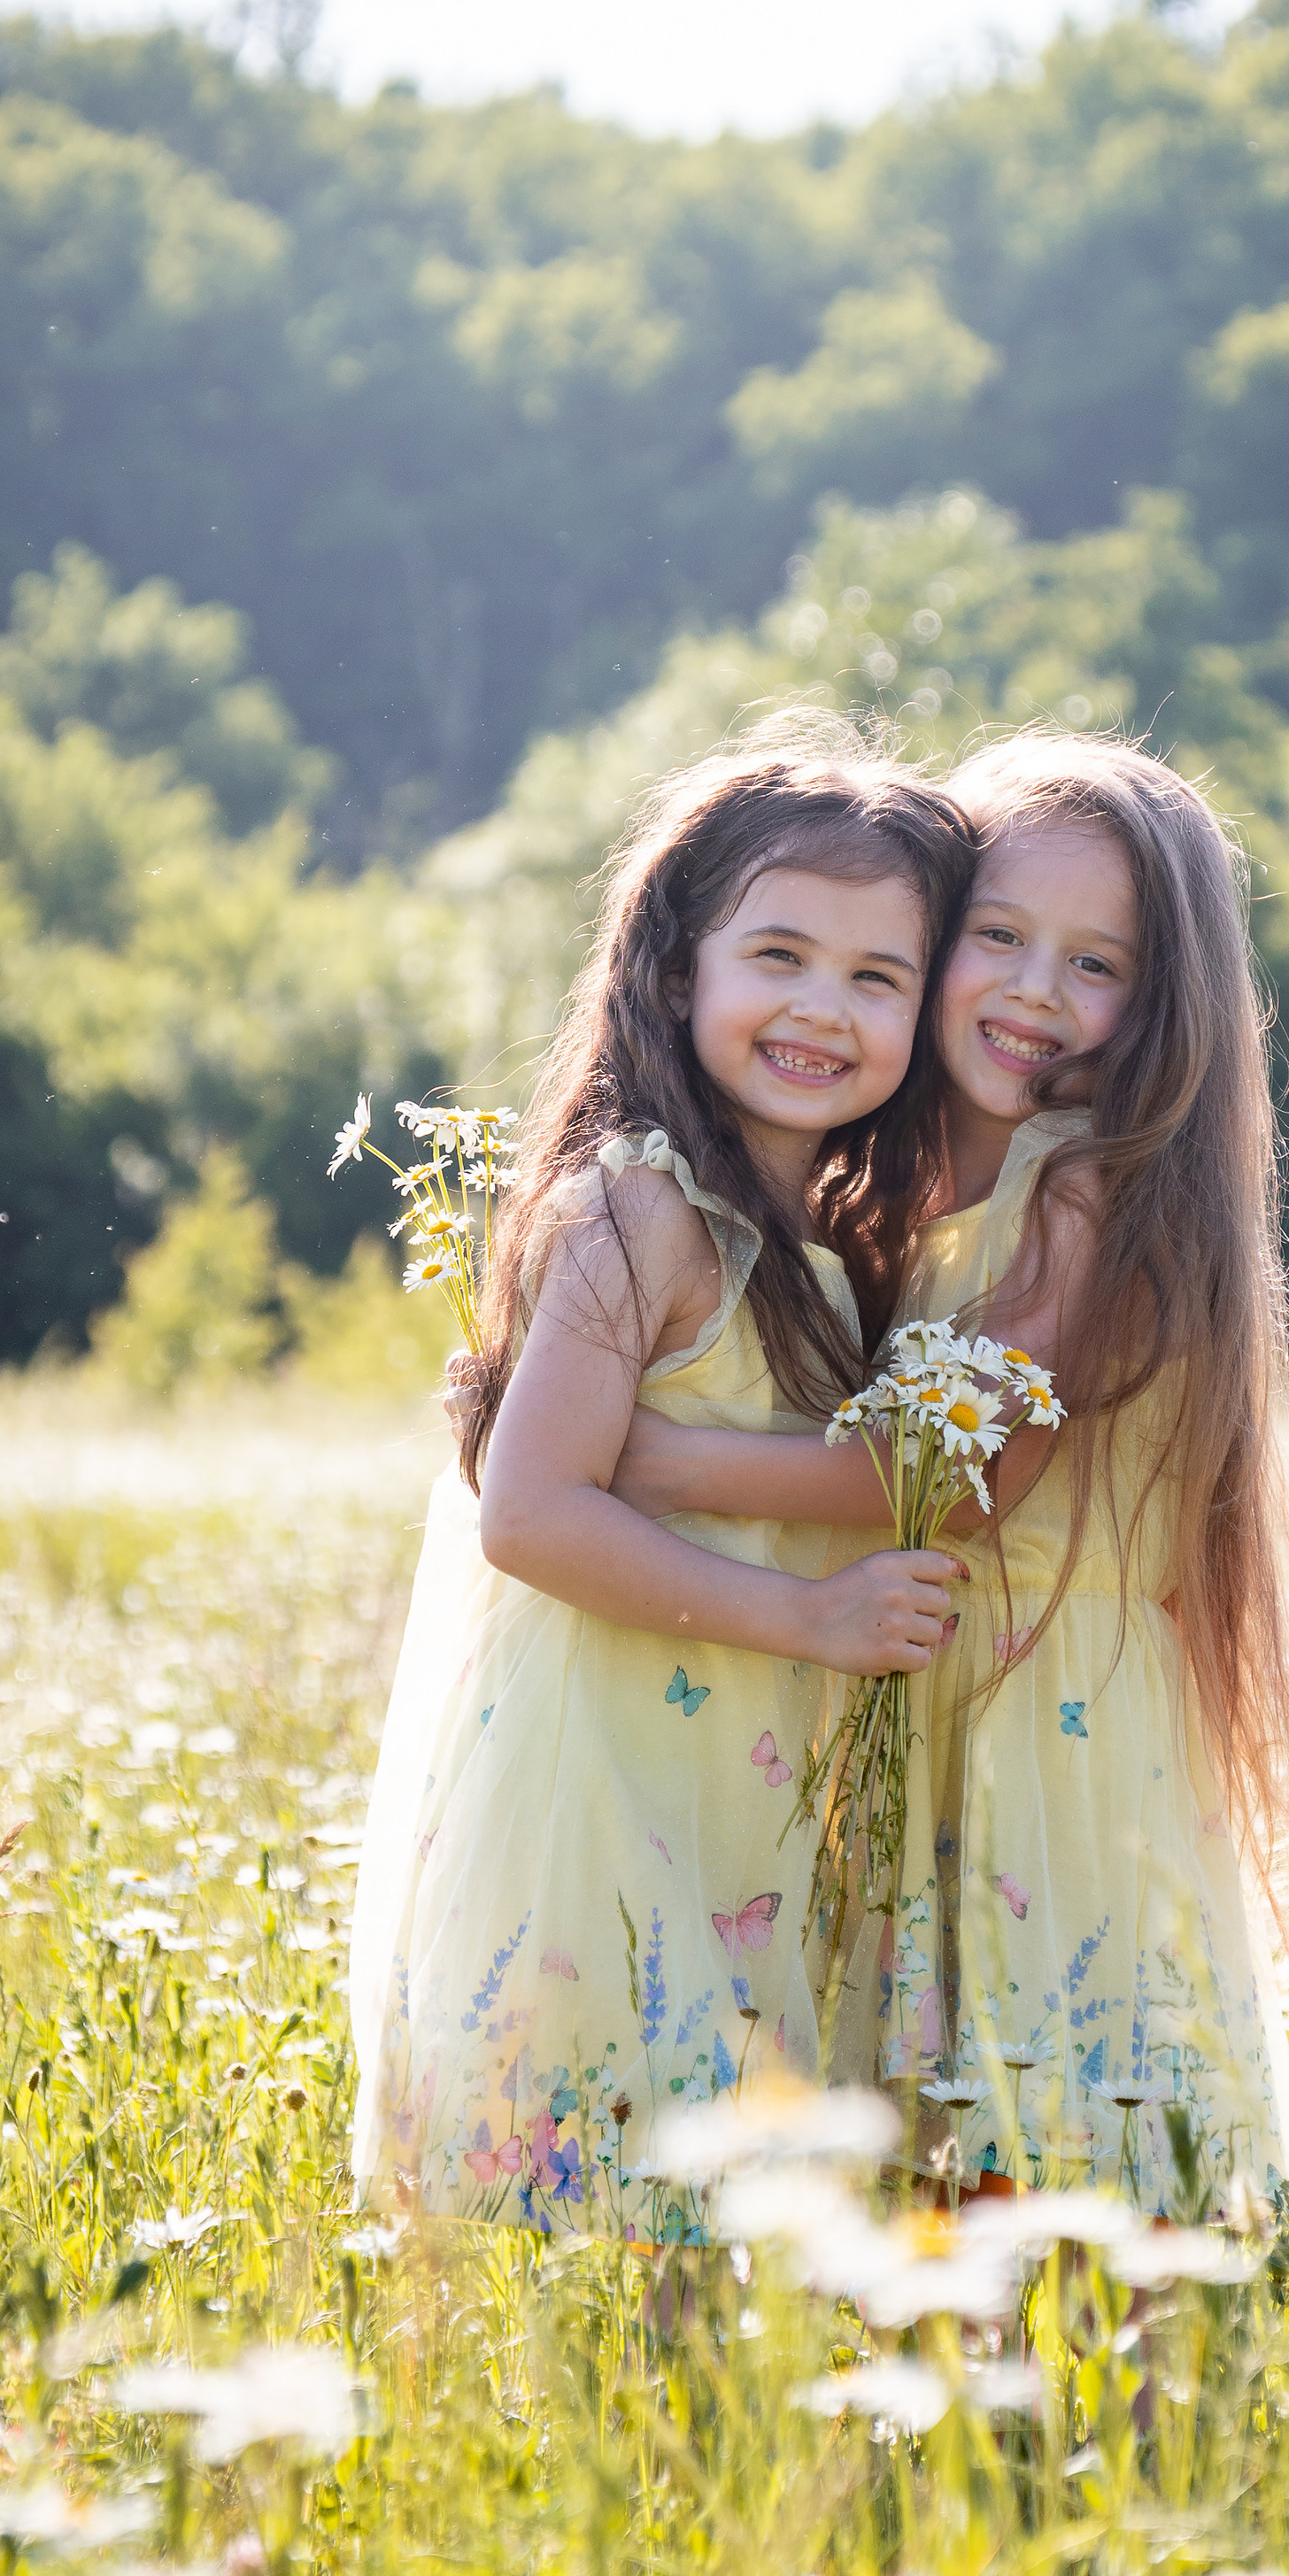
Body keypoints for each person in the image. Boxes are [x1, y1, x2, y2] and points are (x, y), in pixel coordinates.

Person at [606, 730, 1289, 2213]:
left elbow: (958, 1477)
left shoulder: (1082, 1188)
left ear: (1162, 1004)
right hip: (930, 1684)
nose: (1034, 991)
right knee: (928, 2144)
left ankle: (1114, 2429)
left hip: (1043, 1712)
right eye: (996, 936)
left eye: (1097, 965)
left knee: (1060, 2144)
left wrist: (658, 1455)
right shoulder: (915, 1183)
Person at [349, 723, 976, 2225]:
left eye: (876, 978)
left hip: (731, 1775)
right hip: (613, 1763)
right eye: (780, 955)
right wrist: (815, 1622)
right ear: (678, 966)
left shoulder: (823, 1235)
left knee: (727, 2182)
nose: (822, 1007)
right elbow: (533, 1513)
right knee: (628, 2183)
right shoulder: (639, 1207)